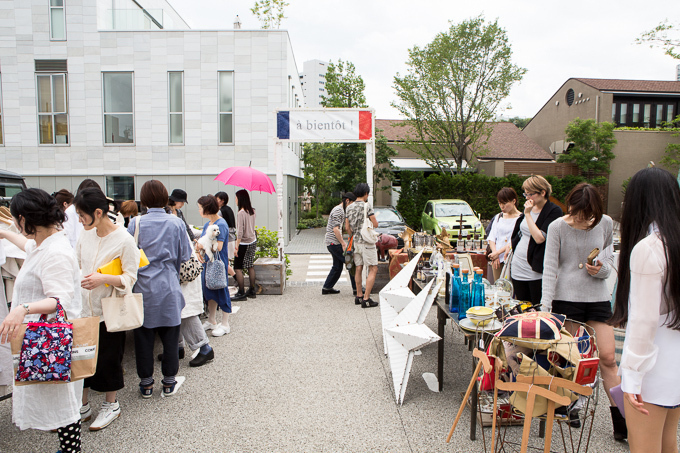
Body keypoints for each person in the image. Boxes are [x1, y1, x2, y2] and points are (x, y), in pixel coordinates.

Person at [0, 188, 83, 453]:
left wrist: (22, 308)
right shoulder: (44, 243)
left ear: (25, 219)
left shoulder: (55, 252)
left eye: (15, 220)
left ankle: (72, 450)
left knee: (60, 395)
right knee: (56, 390)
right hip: (45, 336)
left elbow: (58, 300)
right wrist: (3, 232)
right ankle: (69, 448)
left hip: (49, 338)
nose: (15, 224)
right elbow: (25, 245)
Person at [540, 183, 623, 438]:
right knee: (575, 359)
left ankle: (621, 420)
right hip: (566, 298)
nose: (582, 220)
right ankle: (571, 406)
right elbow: (550, 268)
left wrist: (602, 271)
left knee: (608, 358)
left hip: (597, 296)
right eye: (577, 213)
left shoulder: (605, 223)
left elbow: (608, 259)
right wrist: (546, 309)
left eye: (587, 216)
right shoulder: (557, 227)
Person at [610, 167, 680, 452]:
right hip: (674, 359)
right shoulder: (672, 243)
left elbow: (644, 320)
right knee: (667, 442)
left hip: (653, 365)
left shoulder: (649, 248)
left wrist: (633, 375)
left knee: (646, 447)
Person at [74, 188, 140, 431]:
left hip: (108, 311)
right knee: (81, 359)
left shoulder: (123, 239)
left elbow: (130, 278)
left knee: (109, 359)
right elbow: (77, 263)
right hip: (83, 308)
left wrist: (102, 278)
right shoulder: (85, 234)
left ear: (98, 212)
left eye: (82, 215)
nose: (79, 220)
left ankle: (111, 404)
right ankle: (82, 405)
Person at [128, 180, 192, 398]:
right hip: (168, 286)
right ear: (166, 198)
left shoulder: (135, 223)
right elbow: (184, 255)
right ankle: (168, 382)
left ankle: (146, 384)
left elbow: (127, 257)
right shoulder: (175, 223)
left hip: (142, 287)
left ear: (143, 199)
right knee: (171, 337)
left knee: (143, 338)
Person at [509, 175, 562, 305]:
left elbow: (539, 238)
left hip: (536, 270)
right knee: (521, 307)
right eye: (525, 194)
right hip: (518, 266)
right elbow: (520, 233)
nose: (527, 198)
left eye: (530, 194)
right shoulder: (529, 208)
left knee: (536, 308)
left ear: (543, 192)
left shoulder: (554, 211)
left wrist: (527, 214)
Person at [196, 195, 233, 338]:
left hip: (218, 265)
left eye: (200, 208)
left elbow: (218, 247)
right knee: (209, 291)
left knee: (221, 291)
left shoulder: (221, 224)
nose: (199, 211)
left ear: (206, 208)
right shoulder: (208, 224)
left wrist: (201, 245)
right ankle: (211, 320)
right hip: (208, 263)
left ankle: (225, 324)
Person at [345, 183, 379, 308]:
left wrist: (353, 236)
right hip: (366, 242)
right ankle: (366, 298)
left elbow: (347, 227)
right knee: (373, 268)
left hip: (356, 242)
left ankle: (359, 296)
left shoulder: (349, 207)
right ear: (365, 193)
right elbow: (375, 224)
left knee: (358, 268)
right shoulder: (367, 206)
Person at [322, 193, 354, 295]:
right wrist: (343, 243)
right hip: (334, 243)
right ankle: (356, 289)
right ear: (347, 200)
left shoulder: (340, 210)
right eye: (351, 204)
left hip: (332, 242)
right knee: (350, 263)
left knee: (337, 266)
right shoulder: (338, 210)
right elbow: (335, 229)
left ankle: (327, 287)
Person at [487, 188, 521, 281]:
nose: (502, 206)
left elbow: (515, 239)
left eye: (504, 203)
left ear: (514, 201)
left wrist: (497, 253)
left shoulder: (520, 218)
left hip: (511, 259)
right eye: (499, 203)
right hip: (497, 259)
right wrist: (495, 254)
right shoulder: (498, 217)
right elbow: (492, 237)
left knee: (511, 289)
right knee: (498, 287)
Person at [233, 189, 258, 301]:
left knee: (238, 268)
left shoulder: (241, 213)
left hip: (243, 243)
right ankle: (252, 290)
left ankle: (241, 292)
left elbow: (240, 232)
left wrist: (236, 247)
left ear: (240, 199)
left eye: (236, 198)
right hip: (252, 241)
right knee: (250, 265)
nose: (235, 200)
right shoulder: (252, 211)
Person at [215, 191, 237, 260]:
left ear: (222, 200)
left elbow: (215, 223)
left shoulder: (220, 211)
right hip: (232, 238)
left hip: (226, 239)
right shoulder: (229, 209)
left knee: (226, 261)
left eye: (217, 199)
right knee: (230, 260)